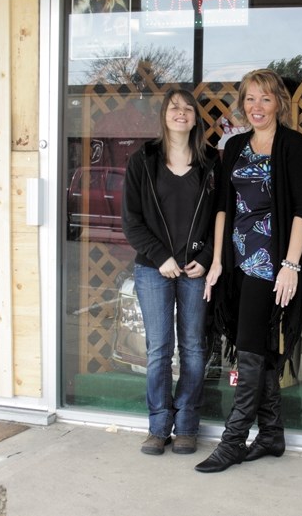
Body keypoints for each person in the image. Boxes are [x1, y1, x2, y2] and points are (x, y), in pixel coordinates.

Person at [195, 69, 302, 473]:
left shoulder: (292, 146)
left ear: (278, 101)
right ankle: (271, 434)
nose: (257, 107)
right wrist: (215, 263)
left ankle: (233, 440)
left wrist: (290, 265)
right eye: (249, 99)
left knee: (248, 347)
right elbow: (223, 209)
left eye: (264, 99)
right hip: (238, 263)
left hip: (273, 264)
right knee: (257, 346)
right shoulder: (234, 146)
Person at [122, 89, 219, 456]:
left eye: (188, 108)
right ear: (164, 115)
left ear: (196, 118)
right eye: (174, 107)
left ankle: (187, 426)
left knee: (193, 348)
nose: (181, 113)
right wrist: (160, 255)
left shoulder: (211, 163)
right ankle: (159, 427)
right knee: (159, 349)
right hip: (153, 269)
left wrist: (207, 257)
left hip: (194, 270)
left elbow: (221, 219)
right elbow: (131, 222)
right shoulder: (142, 160)